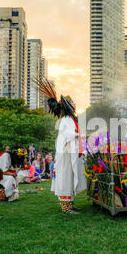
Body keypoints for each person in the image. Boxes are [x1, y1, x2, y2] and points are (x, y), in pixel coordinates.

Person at [36, 78, 86, 214]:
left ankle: (69, 204)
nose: (75, 104)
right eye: (72, 102)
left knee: (69, 178)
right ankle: (66, 208)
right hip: (65, 156)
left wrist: (79, 136)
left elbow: (72, 134)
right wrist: (78, 135)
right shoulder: (66, 120)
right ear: (68, 106)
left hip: (68, 155)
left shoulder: (69, 119)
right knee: (66, 179)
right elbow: (67, 136)